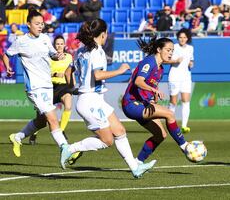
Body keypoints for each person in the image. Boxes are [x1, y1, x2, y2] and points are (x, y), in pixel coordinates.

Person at [59, 19, 156, 178]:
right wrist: (120, 70)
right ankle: (69, 149)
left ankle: (135, 168)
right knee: (107, 141)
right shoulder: (97, 51)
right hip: (90, 101)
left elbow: (68, 72)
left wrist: (73, 88)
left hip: (93, 99)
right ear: (103, 34)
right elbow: (97, 75)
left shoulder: (80, 51)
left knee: (120, 131)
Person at [3, 9, 69, 158]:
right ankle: (65, 149)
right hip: (34, 87)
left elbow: (52, 54)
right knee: (52, 118)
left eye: (42, 23)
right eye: (37, 23)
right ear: (28, 24)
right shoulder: (21, 41)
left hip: (47, 85)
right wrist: (8, 66)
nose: (40, 26)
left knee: (41, 122)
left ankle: (18, 137)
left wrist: (58, 56)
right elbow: (6, 55)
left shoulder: (45, 38)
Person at [121, 36, 191, 164]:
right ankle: (184, 145)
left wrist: (153, 97)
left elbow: (153, 85)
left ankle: (138, 162)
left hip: (144, 104)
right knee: (169, 114)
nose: (170, 53)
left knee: (161, 135)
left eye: (172, 51)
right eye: (168, 50)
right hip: (132, 104)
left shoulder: (160, 69)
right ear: (159, 49)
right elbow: (138, 81)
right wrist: (153, 91)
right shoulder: (149, 62)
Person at [28, 35, 75, 145]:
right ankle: (33, 133)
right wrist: (54, 74)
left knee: (68, 105)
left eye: (61, 43)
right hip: (49, 86)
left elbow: (70, 71)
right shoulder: (50, 58)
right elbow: (41, 73)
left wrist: (73, 84)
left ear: (64, 45)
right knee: (42, 117)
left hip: (64, 87)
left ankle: (61, 131)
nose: (59, 46)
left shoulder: (69, 57)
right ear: (54, 46)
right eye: (57, 44)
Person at [167, 28, 194, 133]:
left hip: (186, 77)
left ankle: (184, 126)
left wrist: (191, 64)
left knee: (186, 101)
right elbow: (166, 60)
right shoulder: (173, 47)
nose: (182, 39)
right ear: (178, 38)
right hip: (174, 76)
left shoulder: (190, 48)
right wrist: (175, 60)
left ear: (187, 38)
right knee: (173, 101)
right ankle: (170, 124)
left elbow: (191, 60)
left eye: (184, 37)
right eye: (180, 37)